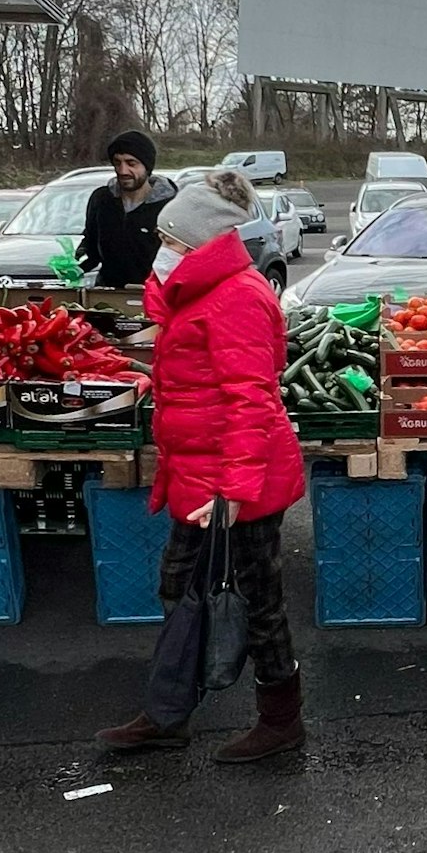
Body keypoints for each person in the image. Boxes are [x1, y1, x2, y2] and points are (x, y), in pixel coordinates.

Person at [96, 170, 307, 761]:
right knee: (180, 587)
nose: (162, 252)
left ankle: (280, 720)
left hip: (239, 484)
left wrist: (237, 488)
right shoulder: (198, 294)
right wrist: (153, 382)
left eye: (173, 243)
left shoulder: (237, 296)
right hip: (200, 475)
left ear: (203, 245)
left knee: (255, 601)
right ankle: (169, 712)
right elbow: (206, 382)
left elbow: (252, 398)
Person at [78, 130, 177, 289]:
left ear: (147, 166)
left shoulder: (170, 206)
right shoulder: (102, 200)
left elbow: (181, 259)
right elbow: (91, 247)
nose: (123, 171)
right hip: (108, 297)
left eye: (131, 164)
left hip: (154, 298)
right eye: (117, 163)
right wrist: (75, 265)